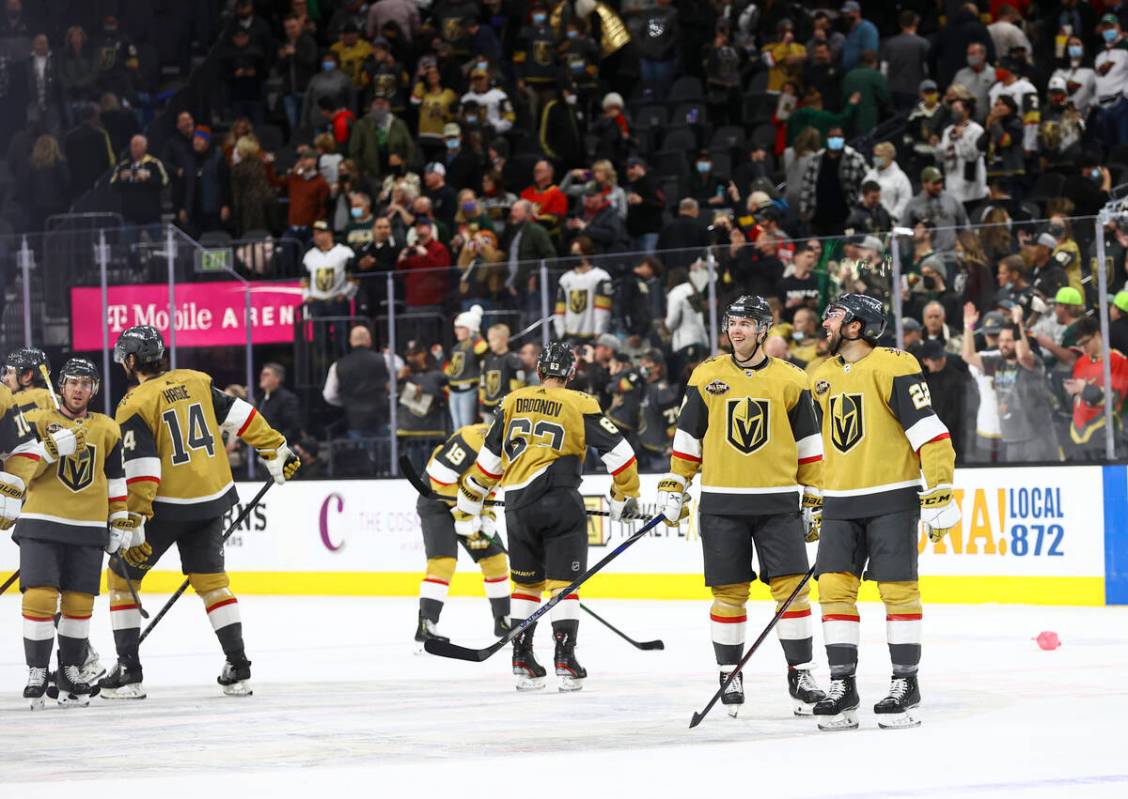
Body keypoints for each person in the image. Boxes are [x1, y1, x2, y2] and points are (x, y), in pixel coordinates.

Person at [101, 326, 300, 699]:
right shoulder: (195, 381)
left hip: (165, 508)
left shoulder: (134, 403)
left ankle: (129, 671)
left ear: (130, 361)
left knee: (120, 577)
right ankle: (237, 666)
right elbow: (242, 416)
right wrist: (275, 449)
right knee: (212, 583)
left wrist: (137, 518)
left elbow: (142, 467)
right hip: (211, 500)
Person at [655, 295, 825, 718]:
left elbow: (809, 444)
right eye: (732, 322)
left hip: (777, 502)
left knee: (793, 591)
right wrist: (677, 481)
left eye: (746, 323)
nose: (736, 330)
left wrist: (815, 493)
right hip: (721, 502)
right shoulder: (707, 374)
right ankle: (729, 673)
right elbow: (689, 436)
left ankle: (800, 672)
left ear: (764, 330)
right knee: (728, 593)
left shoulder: (791, 379)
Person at [810, 293, 960, 731]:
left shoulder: (896, 364)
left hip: (891, 495)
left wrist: (940, 488)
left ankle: (905, 683)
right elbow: (818, 447)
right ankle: (843, 686)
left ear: (856, 326)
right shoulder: (818, 376)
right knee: (834, 591)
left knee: (896, 591)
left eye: (834, 315)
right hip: (840, 500)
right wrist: (815, 495)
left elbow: (929, 429)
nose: (826, 321)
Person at [454, 342, 641, 691]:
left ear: (538, 371)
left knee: (525, 584)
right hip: (560, 502)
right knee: (563, 585)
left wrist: (469, 500)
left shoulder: (511, 401)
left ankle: (522, 660)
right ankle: (565, 661)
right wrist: (623, 496)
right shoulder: (579, 402)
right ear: (571, 374)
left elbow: (488, 462)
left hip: (517, 507)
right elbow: (622, 455)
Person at [14, 358, 127, 708]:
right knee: (41, 597)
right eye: (73, 382)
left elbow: (116, 478)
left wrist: (120, 517)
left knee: (79, 604)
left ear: (94, 389)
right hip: (42, 522)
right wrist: (47, 449)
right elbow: (18, 471)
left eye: (86, 383)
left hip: (89, 525)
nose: (79, 389)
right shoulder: (39, 421)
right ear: (61, 386)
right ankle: (37, 669)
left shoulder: (107, 428)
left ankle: (72, 670)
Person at [413, 422, 511, 646]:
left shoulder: (511, 449)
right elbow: (440, 478)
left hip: (470, 506)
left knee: (495, 559)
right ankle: (426, 624)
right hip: (436, 501)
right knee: (443, 562)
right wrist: (463, 517)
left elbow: (490, 488)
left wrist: (487, 519)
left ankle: (503, 621)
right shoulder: (470, 438)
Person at [961, 304, 1060, 463]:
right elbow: (968, 356)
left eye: (1008, 340)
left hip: (1037, 438)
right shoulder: (998, 362)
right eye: (1001, 340)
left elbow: (1022, 355)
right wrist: (968, 326)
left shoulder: (1031, 362)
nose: (1003, 344)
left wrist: (1017, 322)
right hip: (1011, 440)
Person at [1064, 316, 1128, 459]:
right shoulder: (1081, 362)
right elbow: (1075, 400)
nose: (1083, 347)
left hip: (1105, 439)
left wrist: (1085, 389)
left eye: (1086, 342)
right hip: (1079, 440)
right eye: (1080, 344)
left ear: (1098, 334)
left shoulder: (1118, 360)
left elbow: (1115, 399)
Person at [323, 324, 390, 440]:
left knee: (361, 455)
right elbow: (395, 381)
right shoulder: (384, 360)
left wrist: (345, 401)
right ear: (369, 340)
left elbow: (329, 395)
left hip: (355, 419)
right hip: (380, 416)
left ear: (350, 341)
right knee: (384, 454)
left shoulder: (337, 366)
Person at [554, 237, 613, 342]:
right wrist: (561, 333)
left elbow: (602, 309)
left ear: (587, 253)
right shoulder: (565, 278)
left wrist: (599, 332)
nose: (573, 255)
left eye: (577, 252)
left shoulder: (601, 277)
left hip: (591, 336)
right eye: (572, 252)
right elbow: (559, 309)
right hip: (569, 335)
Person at [110, 135, 169, 227]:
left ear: (145, 147)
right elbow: (113, 186)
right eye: (132, 145)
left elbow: (164, 183)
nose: (134, 148)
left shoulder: (154, 163)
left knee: (157, 241)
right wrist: (121, 179)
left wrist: (147, 178)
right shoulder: (123, 165)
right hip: (130, 217)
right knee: (128, 240)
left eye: (137, 145)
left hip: (152, 216)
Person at [446, 305, 488, 429]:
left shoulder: (475, 345)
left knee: (466, 426)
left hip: (468, 390)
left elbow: (483, 350)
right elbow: (452, 371)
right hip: (453, 390)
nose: (456, 331)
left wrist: (475, 333)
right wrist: (440, 359)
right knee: (456, 426)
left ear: (469, 328)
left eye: (460, 327)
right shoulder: (456, 348)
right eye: (455, 327)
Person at [479, 323, 525, 420]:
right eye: (489, 340)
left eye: (493, 340)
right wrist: (481, 406)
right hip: (488, 405)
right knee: (488, 433)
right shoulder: (487, 359)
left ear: (504, 340)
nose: (490, 343)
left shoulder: (512, 359)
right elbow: (483, 383)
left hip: (505, 405)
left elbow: (519, 383)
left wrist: (513, 403)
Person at [257, 363, 301, 445]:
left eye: (266, 374)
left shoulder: (287, 399)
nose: (262, 377)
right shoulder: (261, 398)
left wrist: (275, 441)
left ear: (277, 379)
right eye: (262, 374)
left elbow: (293, 427)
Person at [2, 347, 54, 412]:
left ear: (27, 376)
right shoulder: (59, 401)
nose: (5, 379)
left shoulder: (9, 405)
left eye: (10, 372)